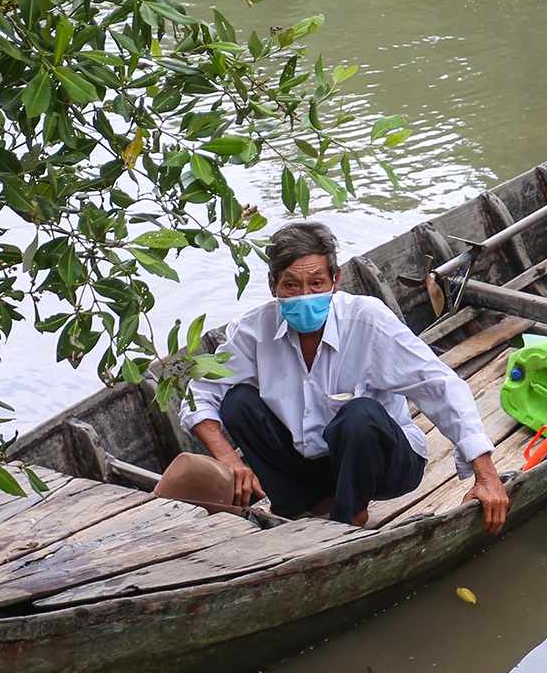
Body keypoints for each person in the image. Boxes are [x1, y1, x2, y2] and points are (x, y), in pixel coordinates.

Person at [182, 222, 510, 532]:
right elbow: (198, 393)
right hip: (312, 464)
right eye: (291, 285)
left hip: (386, 464)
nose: (304, 295)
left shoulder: (367, 321)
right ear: (273, 285)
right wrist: (227, 458)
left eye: (316, 284)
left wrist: (486, 475)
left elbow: (438, 385)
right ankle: (307, 502)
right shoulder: (252, 331)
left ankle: (350, 514)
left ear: (335, 280)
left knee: (360, 414)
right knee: (238, 401)